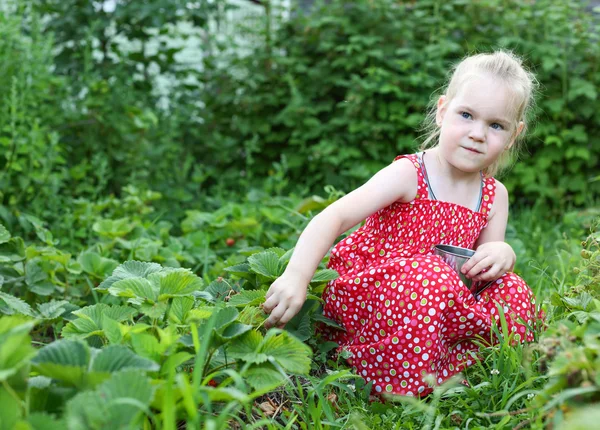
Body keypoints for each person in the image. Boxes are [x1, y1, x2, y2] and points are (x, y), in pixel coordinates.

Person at [262, 50, 540, 398]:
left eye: (495, 125)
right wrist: (297, 276)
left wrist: (501, 252)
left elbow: (484, 271)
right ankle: (396, 384)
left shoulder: (494, 195)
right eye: (466, 115)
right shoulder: (411, 173)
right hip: (373, 296)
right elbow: (334, 217)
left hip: (438, 304)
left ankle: (470, 369)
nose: (478, 134)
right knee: (431, 276)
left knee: (512, 289)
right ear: (442, 111)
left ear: (514, 135)